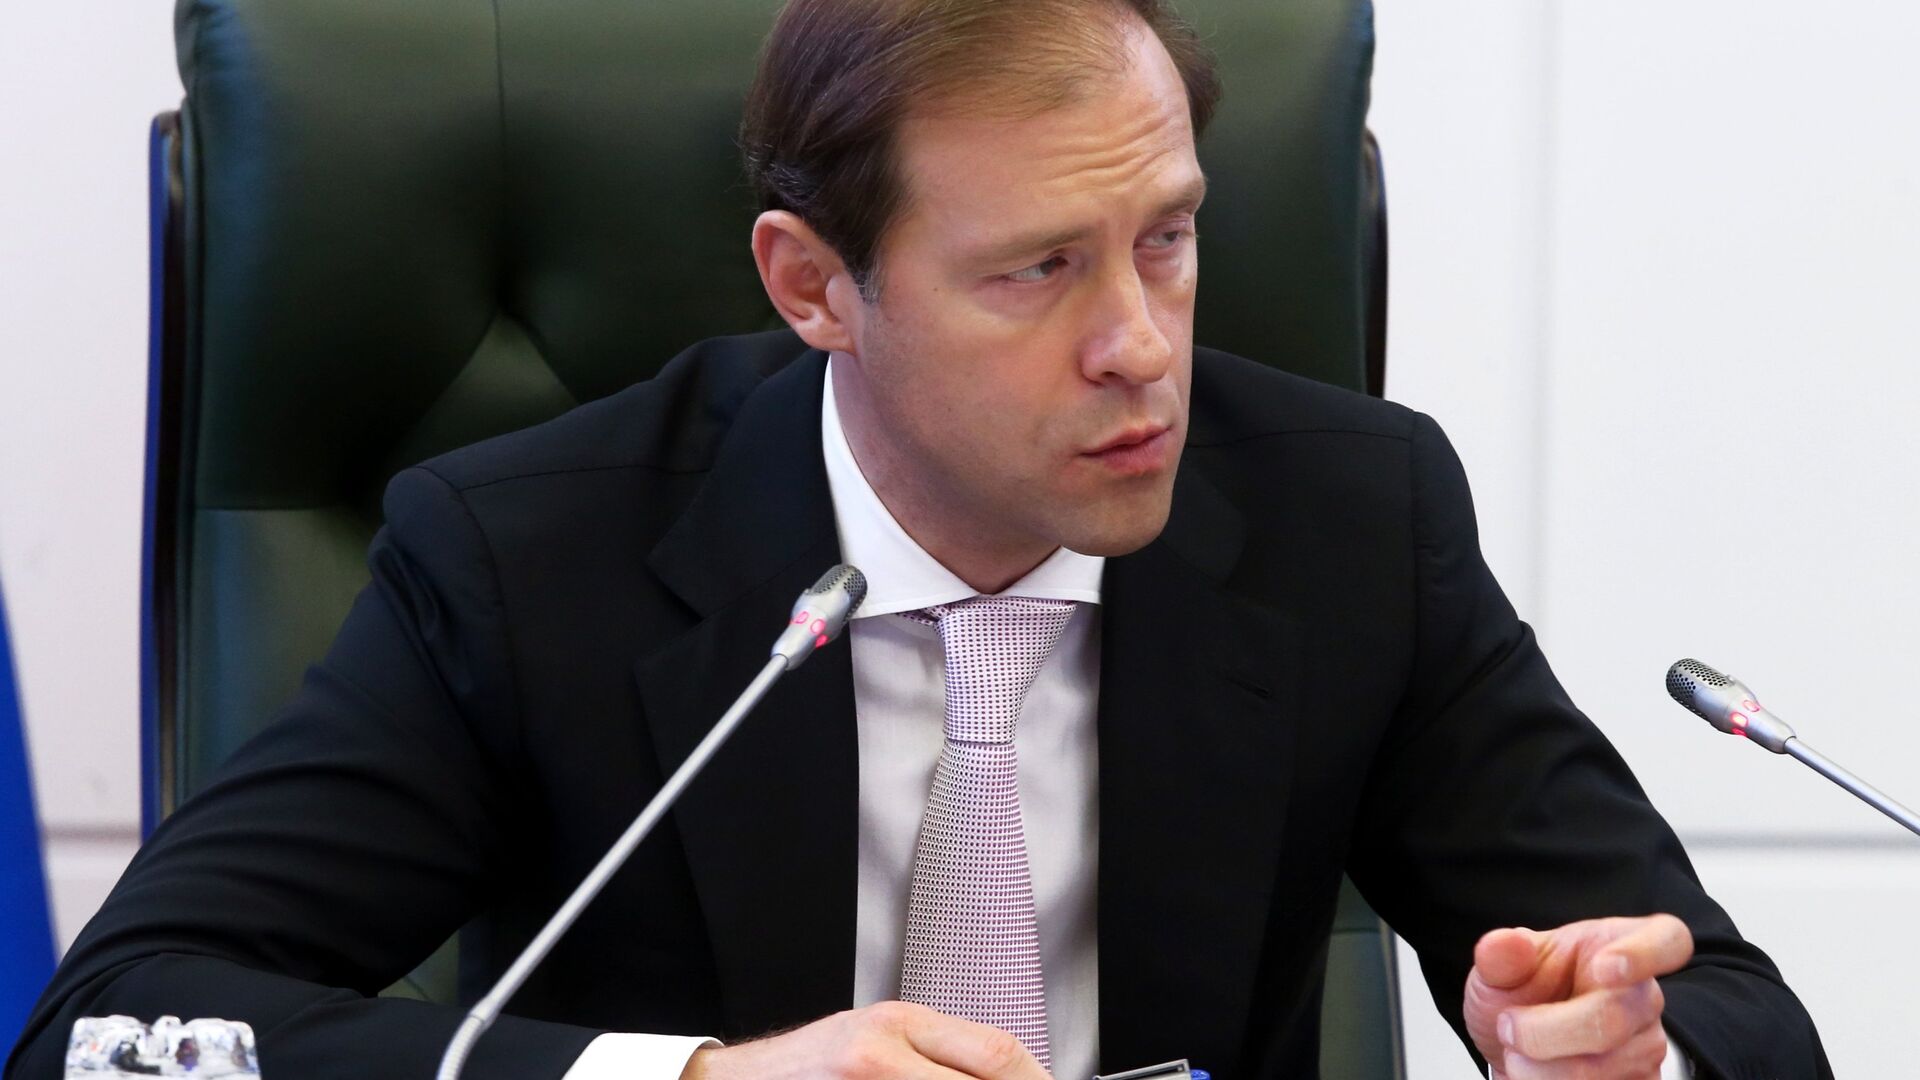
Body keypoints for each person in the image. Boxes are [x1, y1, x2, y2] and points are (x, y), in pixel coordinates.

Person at [9, 1, 1830, 1078]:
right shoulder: (526, 558)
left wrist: (1622, 1047)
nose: (1141, 344)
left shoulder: (1351, 517)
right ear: (816, 287)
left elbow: (1735, 1009)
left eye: (1170, 238)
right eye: (1037, 270)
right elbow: (117, 1030)